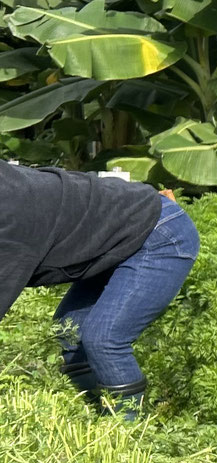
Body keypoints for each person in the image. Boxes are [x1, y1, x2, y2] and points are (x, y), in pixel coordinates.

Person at [0, 164, 201, 416]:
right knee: (69, 331)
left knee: (103, 339)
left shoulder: (10, 224)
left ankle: (124, 434)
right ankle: (93, 414)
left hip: (160, 234)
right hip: (113, 237)